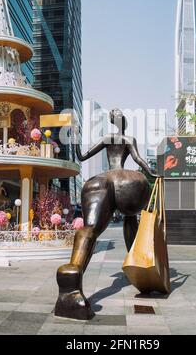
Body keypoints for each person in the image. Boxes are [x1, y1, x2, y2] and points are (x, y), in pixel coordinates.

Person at [55, 109, 158, 320]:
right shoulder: (129, 138)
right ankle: (140, 269)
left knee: (90, 229)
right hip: (130, 183)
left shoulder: (106, 138)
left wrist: (74, 138)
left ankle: (71, 281)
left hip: (101, 180)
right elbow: (139, 160)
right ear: (124, 123)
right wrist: (154, 173)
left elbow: (82, 156)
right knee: (131, 218)